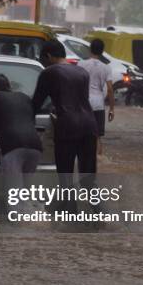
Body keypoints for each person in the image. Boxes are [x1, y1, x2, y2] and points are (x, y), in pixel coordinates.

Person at [32, 39, 98, 214]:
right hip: (90, 125)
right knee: (88, 178)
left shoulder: (49, 73)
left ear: (48, 56)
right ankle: (100, 218)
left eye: (43, 60)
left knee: (65, 177)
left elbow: (35, 104)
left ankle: (70, 217)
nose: (44, 64)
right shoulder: (81, 71)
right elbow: (77, 100)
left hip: (68, 126)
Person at [79, 39, 115, 155]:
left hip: (83, 103)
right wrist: (112, 109)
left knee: (81, 136)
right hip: (99, 104)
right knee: (97, 137)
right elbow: (110, 89)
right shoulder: (106, 68)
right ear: (102, 51)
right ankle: (98, 163)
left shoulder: (81, 64)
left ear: (90, 49)